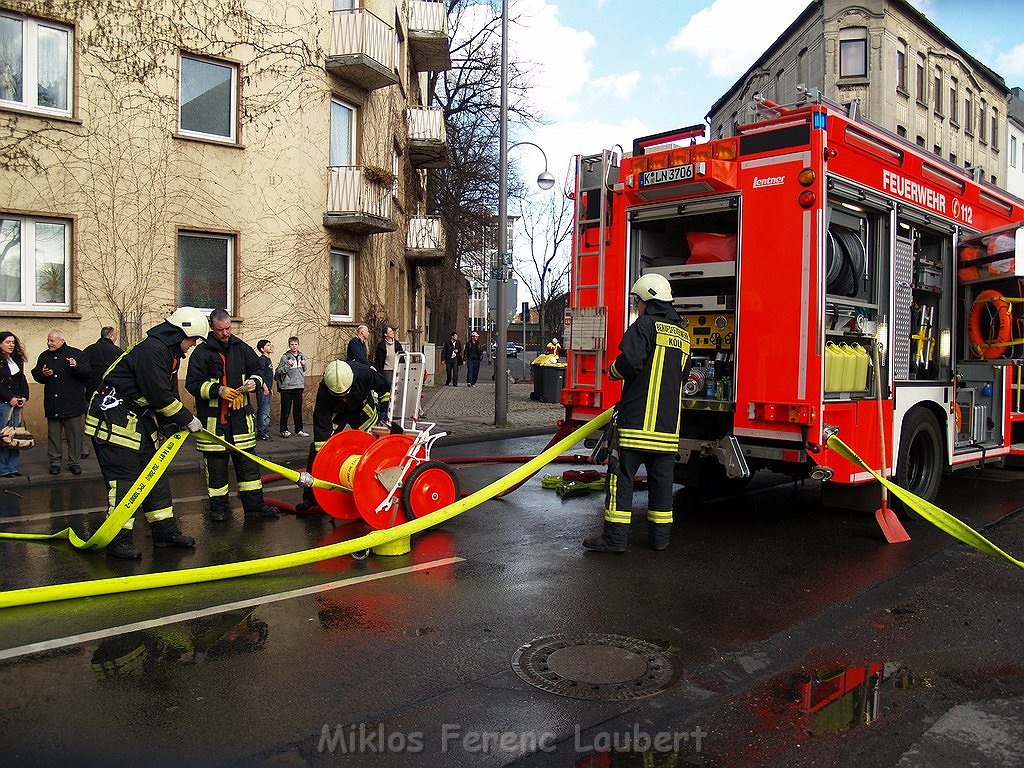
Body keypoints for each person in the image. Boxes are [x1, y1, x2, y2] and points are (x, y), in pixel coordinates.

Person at [84, 307, 207, 558]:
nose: (193, 345)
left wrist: (172, 424)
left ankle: (165, 531)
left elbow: (167, 394)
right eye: (193, 339)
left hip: (135, 420)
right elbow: (159, 394)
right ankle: (117, 540)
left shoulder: (168, 352)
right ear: (181, 332)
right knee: (125, 481)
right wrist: (187, 418)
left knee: (154, 475)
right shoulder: (153, 350)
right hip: (114, 420)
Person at [583, 273, 690, 553]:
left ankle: (615, 539)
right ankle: (659, 539)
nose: (637, 306)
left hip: (636, 424)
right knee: (662, 484)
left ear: (647, 301)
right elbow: (683, 375)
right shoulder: (683, 335)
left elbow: (629, 362)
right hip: (667, 429)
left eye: (638, 301)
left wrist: (613, 371)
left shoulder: (643, 326)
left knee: (621, 478)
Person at [185, 309, 278, 523]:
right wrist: (218, 390)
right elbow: (192, 383)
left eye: (228, 328)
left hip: (240, 421)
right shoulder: (202, 353)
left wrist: (254, 382)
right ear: (212, 328)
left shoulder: (241, 348)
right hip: (215, 423)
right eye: (220, 330)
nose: (225, 333)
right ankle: (219, 510)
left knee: (249, 469)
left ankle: (255, 506)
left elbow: (258, 369)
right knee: (216, 471)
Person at [294, 360, 393, 512]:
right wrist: (324, 457)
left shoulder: (364, 373)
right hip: (337, 414)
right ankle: (311, 497)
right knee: (317, 451)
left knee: (373, 447)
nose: (344, 398)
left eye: (345, 394)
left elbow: (385, 389)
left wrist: (384, 410)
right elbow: (321, 430)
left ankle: (379, 491)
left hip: (362, 411)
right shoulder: (324, 393)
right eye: (339, 396)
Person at [31, 329, 90, 475]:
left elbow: (87, 372)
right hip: (53, 403)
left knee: (74, 436)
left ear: (61, 341)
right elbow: (36, 373)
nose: (48, 343)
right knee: (54, 436)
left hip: (73, 403)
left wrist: (76, 366)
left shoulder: (76, 354)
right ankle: (55, 462)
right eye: (48, 340)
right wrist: (43, 374)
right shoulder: (44, 356)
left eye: (52, 340)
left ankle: (74, 462)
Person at [81, 326, 125, 459]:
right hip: (111, 396)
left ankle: (84, 450)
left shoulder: (88, 351)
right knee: (111, 421)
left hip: (91, 393)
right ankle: (111, 447)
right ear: (111, 336)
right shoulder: (118, 352)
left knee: (88, 422)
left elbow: (82, 371)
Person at [0, 331, 29, 478]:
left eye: (13, 342)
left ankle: (12, 467)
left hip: (16, 402)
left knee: (16, 435)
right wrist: (10, 397)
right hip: (3, 403)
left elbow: (22, 380)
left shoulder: (16, 360)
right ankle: (3, 468)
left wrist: (24, 396)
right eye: (7, 342)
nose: (11, 345)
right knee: (4, 435)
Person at [276, 336, 307, 437]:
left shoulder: (301, 355)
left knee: (297, 410)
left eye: (296, 344)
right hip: (287, 387)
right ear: (289, 345)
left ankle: (299, 430)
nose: (294, 346)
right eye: (292, 344)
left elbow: (304, 369)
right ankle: (283, 429)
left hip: (299, 386)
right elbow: (279, 371)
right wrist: (288, 365)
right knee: (286, 410)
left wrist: (304, 364)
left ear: (298, 345)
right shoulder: (285, 357)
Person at [255, 340, 274, 441]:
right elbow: (260, 374)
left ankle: (265, 431)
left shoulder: (268, 360)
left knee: (267, 412)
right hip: (263, 390)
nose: (270, 347)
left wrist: (270, 389)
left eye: (270, 345)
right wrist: (265, 387)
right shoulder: (262, 360)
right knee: (263, 411)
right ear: (262, 349)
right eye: (267, 345)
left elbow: (269, 376)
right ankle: (261, 432)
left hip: (268, 389)